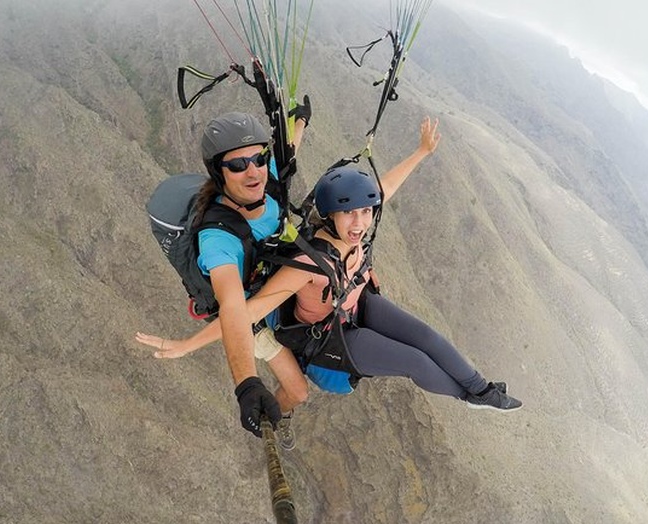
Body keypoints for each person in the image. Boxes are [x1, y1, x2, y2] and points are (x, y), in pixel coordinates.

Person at [137, 117, 521, 444]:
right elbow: (241, 311)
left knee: (429, 339)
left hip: (350, 303)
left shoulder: (311, 207)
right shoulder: (294, 260)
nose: (359, 222)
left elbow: (378, 191)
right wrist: (192, 348)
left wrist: (418, 152)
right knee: (412, 362)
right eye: (238, 164)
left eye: (258, 159)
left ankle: (482, 389)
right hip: (326, 333)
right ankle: (465, 396)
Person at [136, 105, 312, 446]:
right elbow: (233, 308)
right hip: (251, 309)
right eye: (237, 165)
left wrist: (301, 119)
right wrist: (247, 382)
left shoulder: (265, 179)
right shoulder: (217, 239)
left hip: (274, 280)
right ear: (220, 173)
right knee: (298, 390)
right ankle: (280, 417)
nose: (253, 171)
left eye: (258, 158)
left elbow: (286, 151)